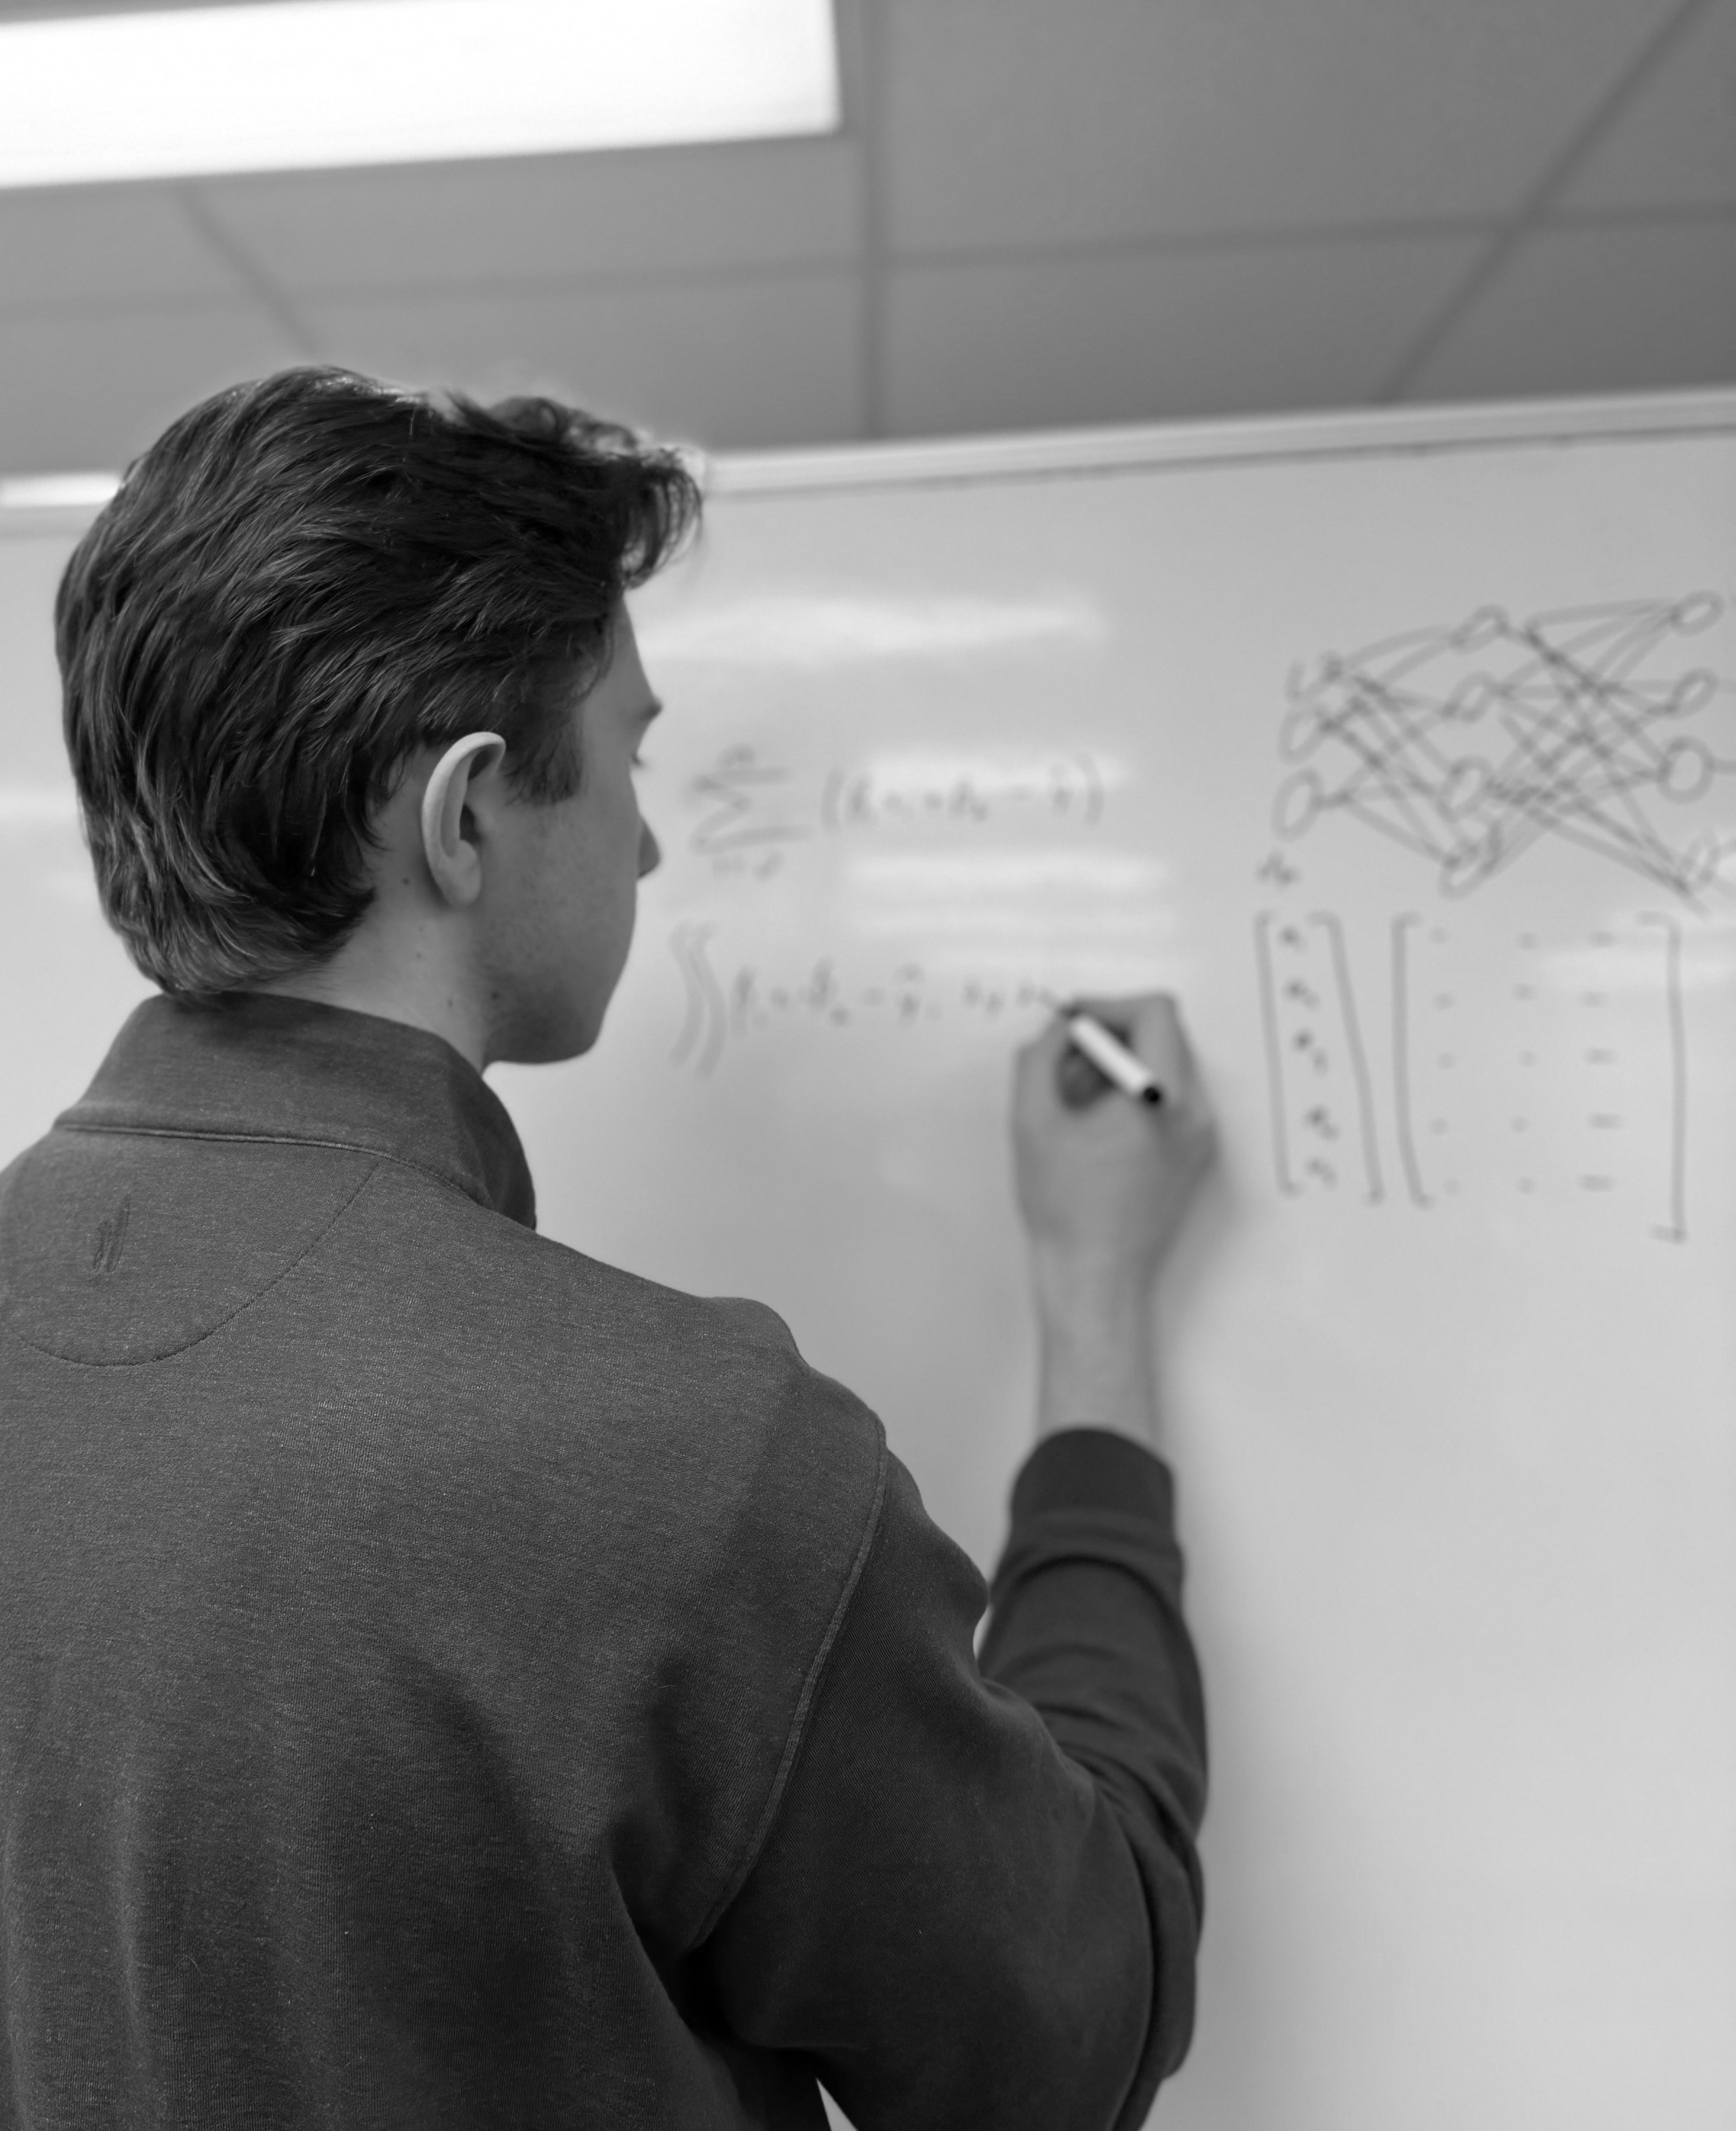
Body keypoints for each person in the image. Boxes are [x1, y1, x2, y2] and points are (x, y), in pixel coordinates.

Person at [0, 368, 1214, 2130]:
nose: (648, 835)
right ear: (467, 814)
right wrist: (1097, 1307)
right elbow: (1071, 2036)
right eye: (633, 752)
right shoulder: (691, 1459)